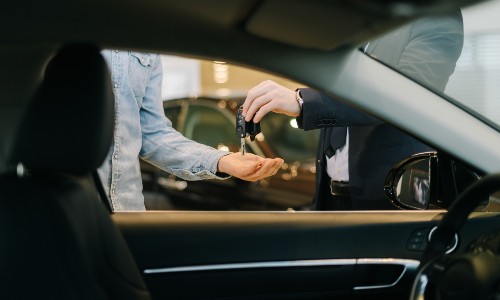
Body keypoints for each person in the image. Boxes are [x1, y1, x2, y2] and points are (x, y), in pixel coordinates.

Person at [242, 11, 464, 210]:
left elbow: (407, 94)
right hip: (328, 196)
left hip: (390, 197)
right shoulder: (360, 21)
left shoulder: (437, 15)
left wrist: (302, 102)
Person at [98, 50, 283, 211]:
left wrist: (221, 160)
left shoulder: (146, 48)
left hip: (130, 210)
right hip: (78, 212)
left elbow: (152, 134)